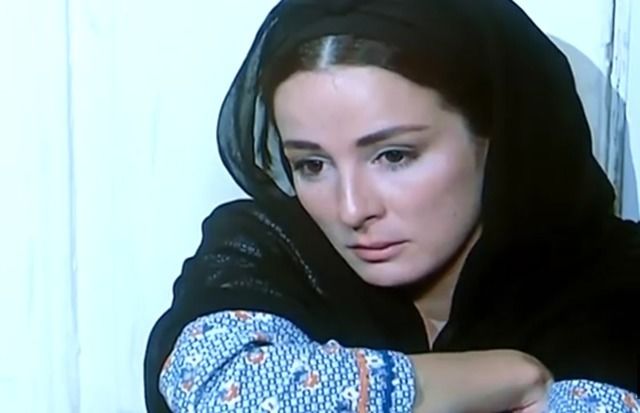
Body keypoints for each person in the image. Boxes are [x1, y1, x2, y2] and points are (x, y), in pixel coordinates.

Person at [144, 0, 639, 411]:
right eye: (312, 164)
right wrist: (508, 377)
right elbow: (218, 388)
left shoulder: (616, 284)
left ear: (496, 136)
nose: (351, 209)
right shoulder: (270, 249)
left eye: (394, 156)